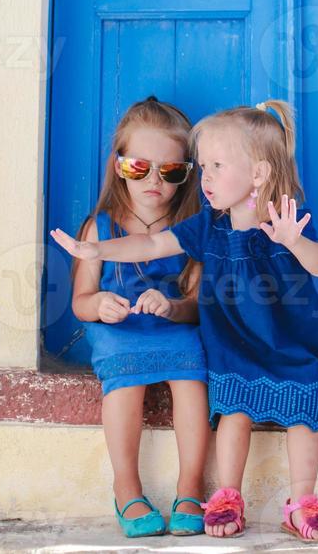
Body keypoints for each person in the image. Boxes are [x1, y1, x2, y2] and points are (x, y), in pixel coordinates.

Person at [53, 99, 318, 544]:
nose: (206, 178)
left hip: (289, 341)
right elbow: (152, 245)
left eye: (216, 166)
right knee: (233, 406)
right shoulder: (207, 226)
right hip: (235, 344)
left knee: (305, 403)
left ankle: (301, 501)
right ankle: (229, 494)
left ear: (258, 174)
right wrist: (98, 251)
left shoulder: (283, 221)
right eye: (204, 167)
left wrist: (295, 243)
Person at [68, 95, 210, 538]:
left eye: (170, 171)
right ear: (118, 166)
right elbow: (81, 301)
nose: (154, 181)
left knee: (192, 376)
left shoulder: (189, 231)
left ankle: (191, 484)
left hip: (170, 328)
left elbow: (194, 307)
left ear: (186, 174)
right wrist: (100, 307)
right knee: (125, 382)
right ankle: (126, 484)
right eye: (138, 168)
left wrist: (171, 308)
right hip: (118, 331)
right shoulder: (101, 227)